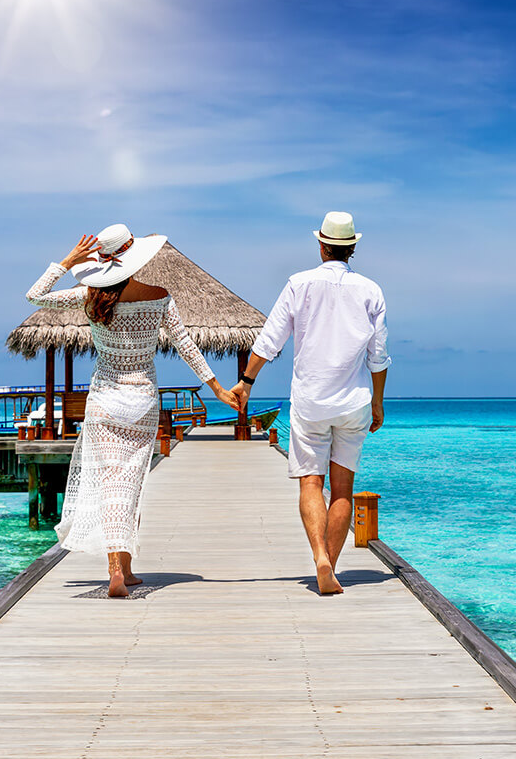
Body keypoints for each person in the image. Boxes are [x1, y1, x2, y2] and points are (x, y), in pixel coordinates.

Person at [26, 225, 241, 597]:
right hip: (141, 401)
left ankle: (117, 569)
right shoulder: (159, 297)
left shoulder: (88, 297)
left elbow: (35, 296)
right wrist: (218, 388)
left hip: (104, 401)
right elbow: (187, 346)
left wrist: (67, 261)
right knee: (131, 483)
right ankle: (124, 569)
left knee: (110, 483)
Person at [232, 211, 389, 595]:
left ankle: (319, 556)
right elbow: (378, 356)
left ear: (321, 244)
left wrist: (246, 382)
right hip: (354, 404)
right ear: (352, 248)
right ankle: (329, 567)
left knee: (310, 484)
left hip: (310, 403)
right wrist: (379, 404)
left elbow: (270, 341)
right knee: (342, 491)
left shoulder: (298, 284)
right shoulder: (371, 290)